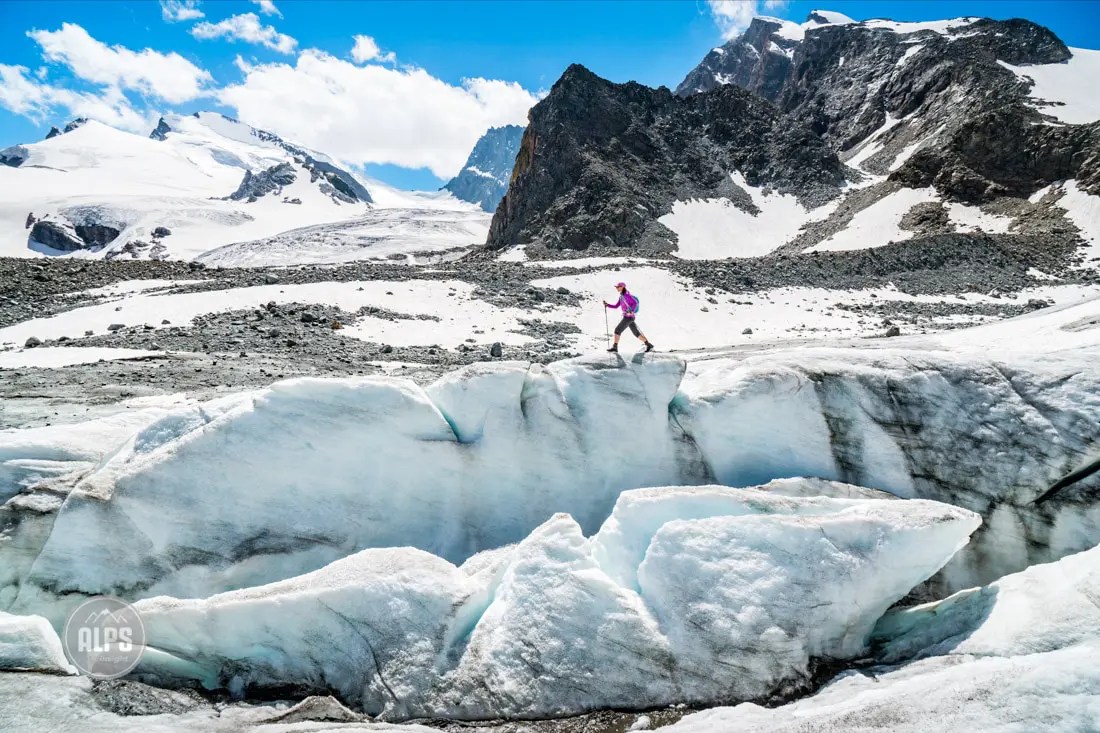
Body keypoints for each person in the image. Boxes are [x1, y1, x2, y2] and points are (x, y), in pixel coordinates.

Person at [604, 282, 654, 353]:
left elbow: (635, 303)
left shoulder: (626, 295)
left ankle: (615, 347)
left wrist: (631, 311)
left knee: (617, 330)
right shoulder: (621, 296)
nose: (617, 288)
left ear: (622, 287)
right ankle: (649, 345)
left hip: (629, 317)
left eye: (618, 287)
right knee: (636, 333)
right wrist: (607, 305)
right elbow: (616, 306)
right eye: (616, 287)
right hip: (628, 317)